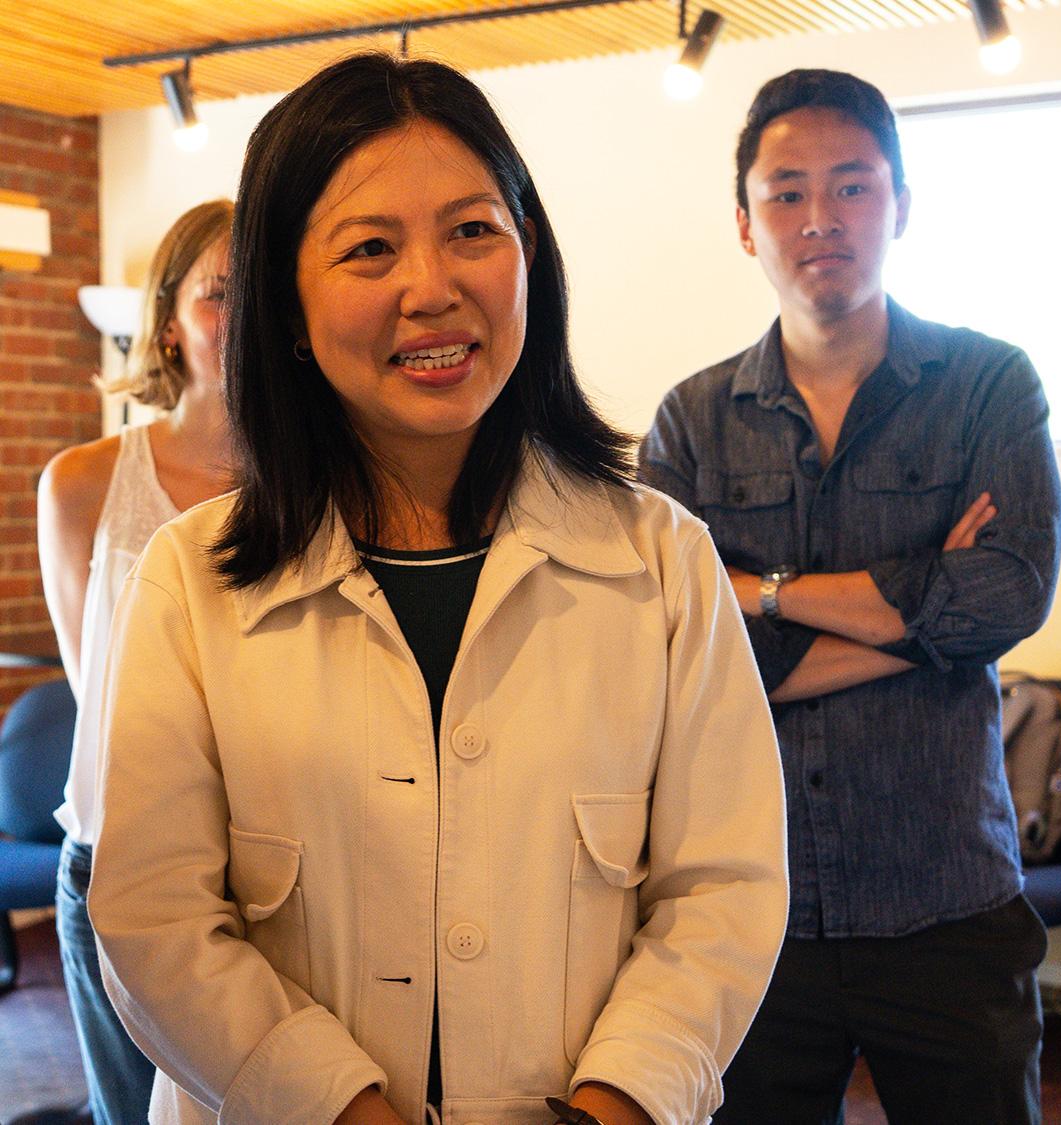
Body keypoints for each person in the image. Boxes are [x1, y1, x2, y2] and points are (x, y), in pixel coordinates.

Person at [87, 54, 786, 1125]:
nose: (431, 287)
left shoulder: (661, 562)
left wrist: (619, 1103)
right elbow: (153, 920)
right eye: (370, 248)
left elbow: (724, 889)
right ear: (285, 307)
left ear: (529, 261)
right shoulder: (190, 580)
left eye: (472, 231)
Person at [641, 69, 1061, 1123]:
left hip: (944, 895)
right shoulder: (690, 422)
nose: (818, 219)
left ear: (901, 205)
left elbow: (1009, 593)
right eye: (785, 192)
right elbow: (661, 646)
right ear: (744, 224)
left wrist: (756, 594)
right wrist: (929, 627)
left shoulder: (988, 385)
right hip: (751, 905)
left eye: (852, 187)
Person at [37, 197, 237, 1125]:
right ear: (169, 320)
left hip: (272, 868)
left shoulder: (332, 486)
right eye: (219, 294)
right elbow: (98, 687)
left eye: (268, 294)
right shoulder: (82, 484)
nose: (245, 321)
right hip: (114, 861)